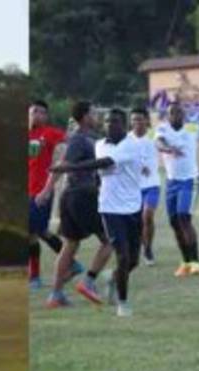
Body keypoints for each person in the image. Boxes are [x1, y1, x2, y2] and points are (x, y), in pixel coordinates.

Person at [50, 109, 143, 317]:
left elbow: (105, 163)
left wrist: (68, 168)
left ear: (125, 125)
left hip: (133, 207)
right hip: (109, 208)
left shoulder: (131, 145)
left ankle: (113, 278)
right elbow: (98, 169)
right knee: (123, 255)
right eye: (108, 122)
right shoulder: (99, 145)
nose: (111, 125)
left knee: (133, 260)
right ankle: (123, 305)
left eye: (116, 122)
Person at [44, 101, 113, 308]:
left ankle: (56, 296)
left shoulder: (84, 139)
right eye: (93, 114)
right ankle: (88, 283)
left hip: (71, 195)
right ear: (84, 117)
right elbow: (68, 165)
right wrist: (57, 171)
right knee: (109, 239)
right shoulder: (80, 140)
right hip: (83, 195)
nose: (97, 117)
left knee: (70, 245)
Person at [28, 100, 79, 291]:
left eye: (41, 113)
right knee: (32, 234)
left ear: (46, 116)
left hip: (41, 190)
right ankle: (35, 277)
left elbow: (70, 140)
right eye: (33, 112)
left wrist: (73, 132)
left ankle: (71, 263)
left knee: (37, 230)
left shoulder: (49, 133)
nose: (36, 115)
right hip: (26, 190)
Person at [156, 100, 199, 277]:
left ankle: (196, 261)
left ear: (183, 115)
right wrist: (169, 149)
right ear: (168, 115)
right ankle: (185, 262)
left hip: (190, 180)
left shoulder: (193, 128)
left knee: (184, 217)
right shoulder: (163, 129)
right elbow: (159, 143)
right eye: (172, 113)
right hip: (171, 182)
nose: (175, 116)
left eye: (178, 112)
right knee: (174, 223)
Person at [129, 107, 160, 266]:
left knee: (147, 216)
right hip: (133, 187)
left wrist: (167, 147)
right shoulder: (127, 139)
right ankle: (142, 245)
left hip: (152, 185)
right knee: (137, 221)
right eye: (134, 119)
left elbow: (163, 143)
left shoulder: (154, 136)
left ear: (146, 120)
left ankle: (148, 248)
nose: (137, 123)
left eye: (140, 119)